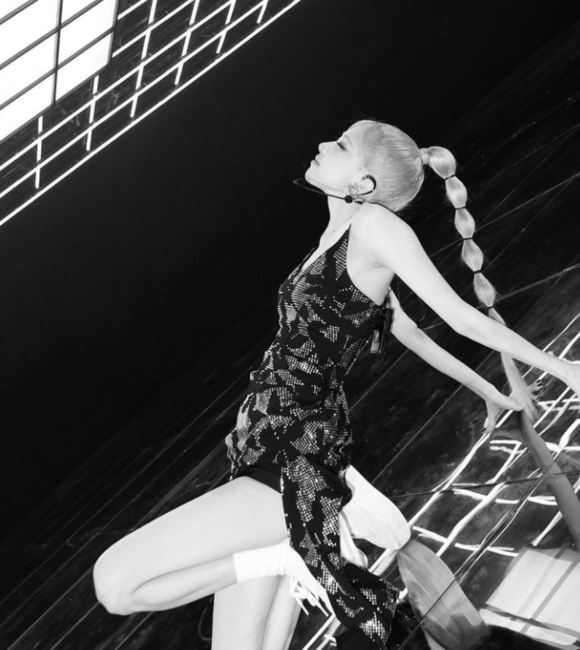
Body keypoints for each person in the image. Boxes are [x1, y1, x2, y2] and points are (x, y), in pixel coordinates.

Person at [93, 120, 580, 650]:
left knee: (115, 584)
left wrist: (561, 369)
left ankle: (290, 556)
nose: (324, 144)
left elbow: (457, 316)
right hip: (267, 441)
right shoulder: (337, 238)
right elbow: (412, 335)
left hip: (292, 450)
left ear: (363, 183)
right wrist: (487, 392)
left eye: (342, 144)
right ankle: (289, 553)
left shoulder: (375, 227)